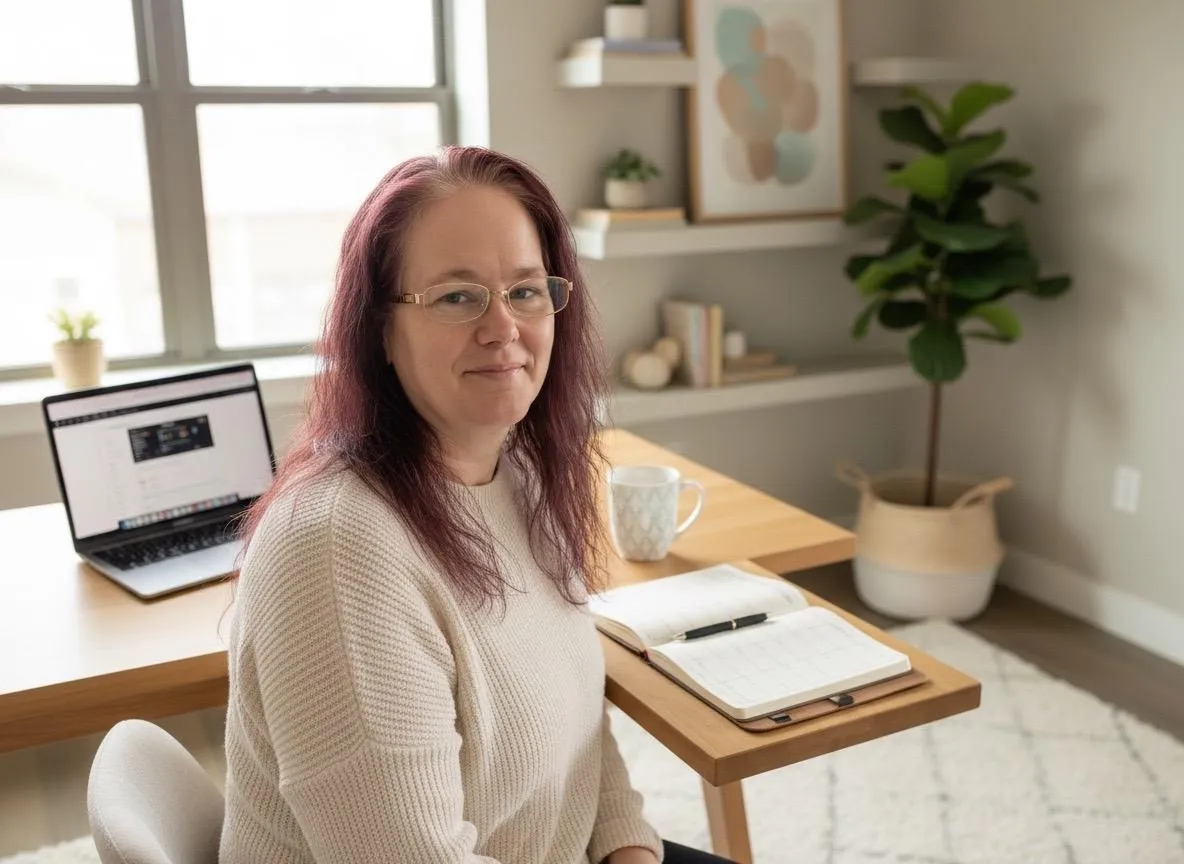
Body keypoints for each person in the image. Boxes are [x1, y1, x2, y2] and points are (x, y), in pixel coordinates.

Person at [218, 146, 734, 864]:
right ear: (380, 332)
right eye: (457, 297)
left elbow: (577, 730)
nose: (504, 329)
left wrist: (628, 847)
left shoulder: (519, 470)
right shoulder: (336, 549)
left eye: (525, 291)